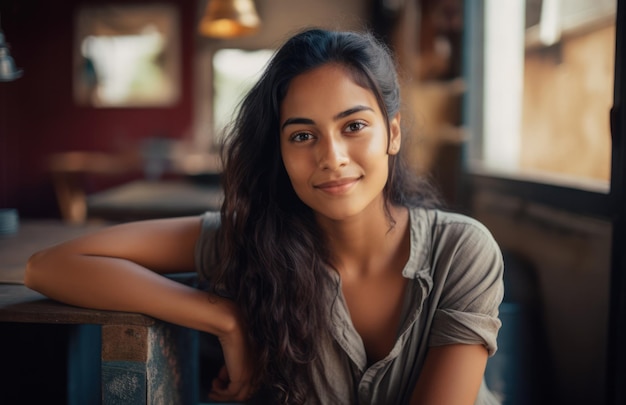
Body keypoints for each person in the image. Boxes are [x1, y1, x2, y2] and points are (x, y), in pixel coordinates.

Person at [25, 28, 504, 404]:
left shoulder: (461, 252)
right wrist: (224, 318)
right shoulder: (255, 244)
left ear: (393, 133)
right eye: (302, 135)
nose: (332, 156)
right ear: (279, 149)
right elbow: (48, 266)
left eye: (354, 126)